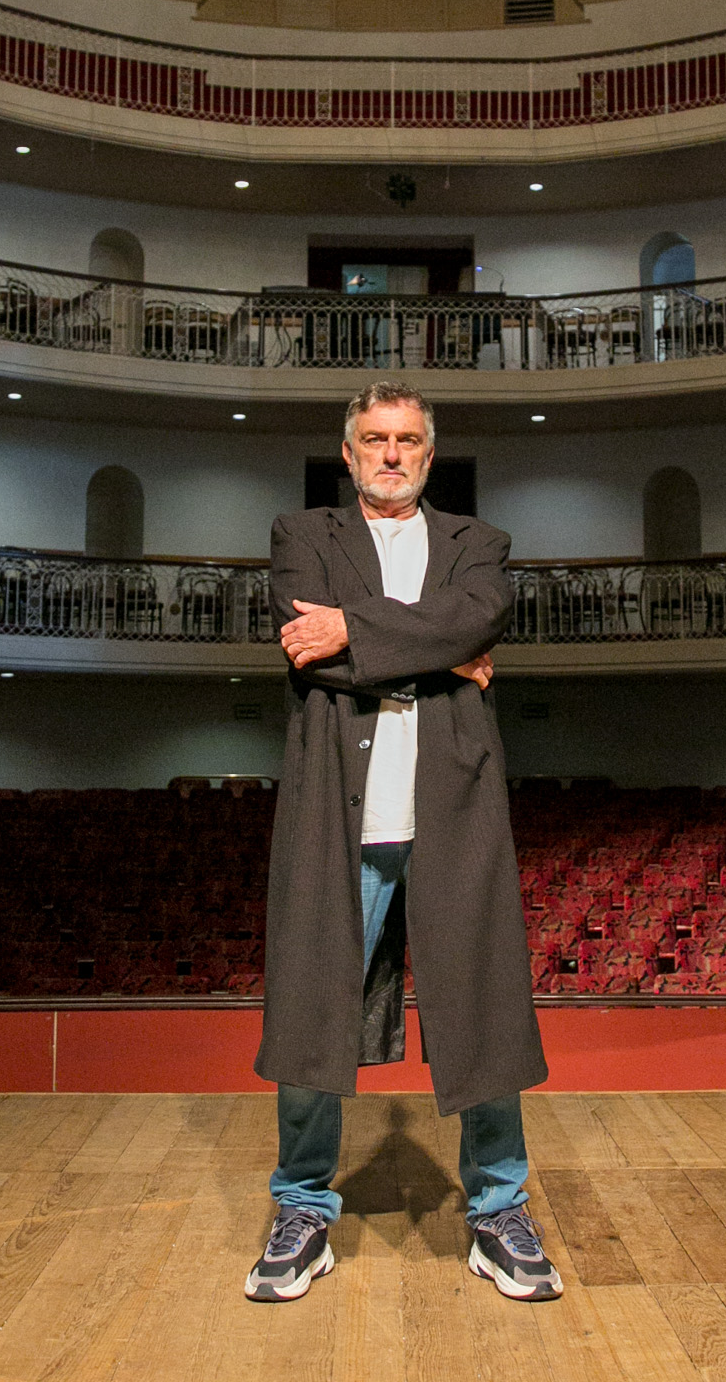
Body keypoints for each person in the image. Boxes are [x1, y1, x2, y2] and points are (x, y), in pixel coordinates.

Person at [245, 380, 561, 1304]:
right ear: (348, 455)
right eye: (374, 439)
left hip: (451, 811)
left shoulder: (477, 544)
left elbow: (477, 617)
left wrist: (362, 631)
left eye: (408, 440)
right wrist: (439, 653)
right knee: (311, 1011)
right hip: (334, 819)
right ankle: (301, 1206)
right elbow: (307, 644)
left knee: (482, 1010)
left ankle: (498, 1209)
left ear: (430, 454)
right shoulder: (302, 535)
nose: (390, 453)